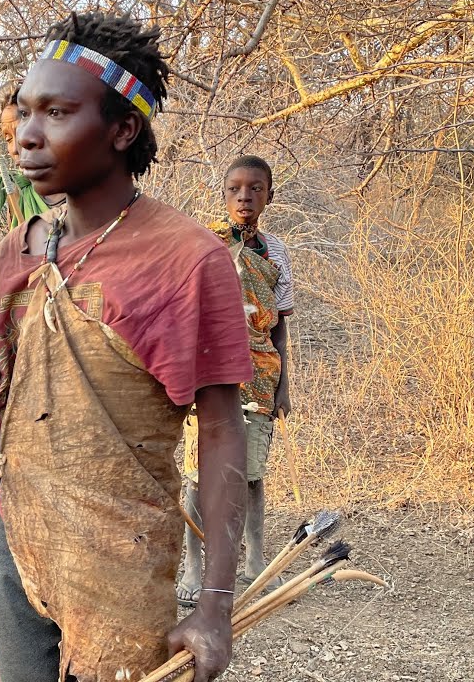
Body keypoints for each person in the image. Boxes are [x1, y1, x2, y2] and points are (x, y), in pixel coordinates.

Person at [0, 12, 253, 682]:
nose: (27, 135)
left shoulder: (187, 259)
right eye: (22, 112)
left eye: (57, 112)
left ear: (122, 129)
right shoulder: (19, 247)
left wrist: (216, 605)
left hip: (121, 551)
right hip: (14, 534)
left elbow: (224, 430)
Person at [177, 154, 296, 607]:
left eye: (255, 189)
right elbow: (186, 312)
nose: (245, 197)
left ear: (270, 195)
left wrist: (284, 385)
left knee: (250, 474)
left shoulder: (276, 252)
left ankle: (255, 563)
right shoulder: (203, 242)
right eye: (235, 189)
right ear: (224, 193)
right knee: (196, 474)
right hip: (209, 373)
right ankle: (193, 566)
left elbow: (279, 325)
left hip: (261, 373)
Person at [0, 80, 64, 228]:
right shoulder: (18, 196)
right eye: (8, 139)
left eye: (22, 133)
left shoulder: (89, 191)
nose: (14, 148)